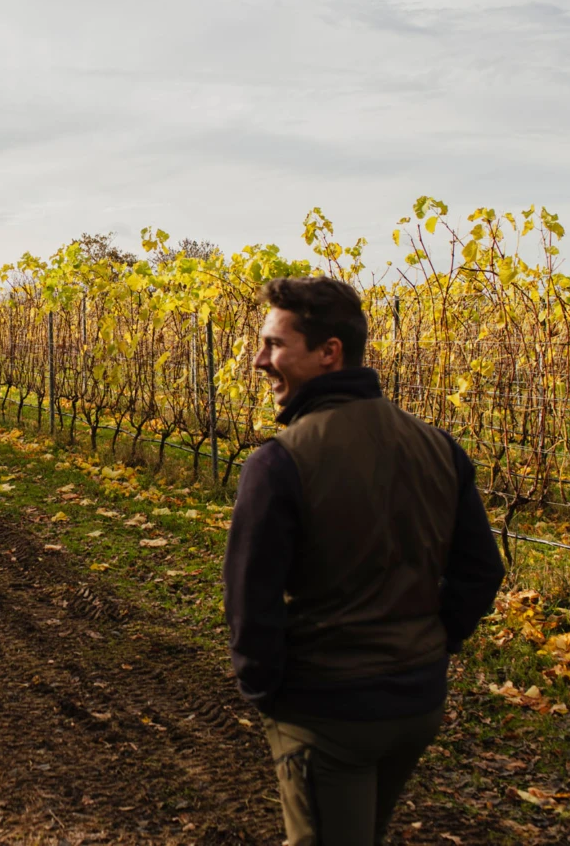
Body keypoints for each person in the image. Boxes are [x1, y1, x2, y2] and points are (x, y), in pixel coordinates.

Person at [223, 276, 505, 846]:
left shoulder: (280, 462)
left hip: (328, 712)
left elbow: (250, 602)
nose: (258, 360)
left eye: (274, 344)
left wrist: (271, 696)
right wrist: (430, 646)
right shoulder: (437, 444)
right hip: (417, 704)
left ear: (329, 352)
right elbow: (481, 570)